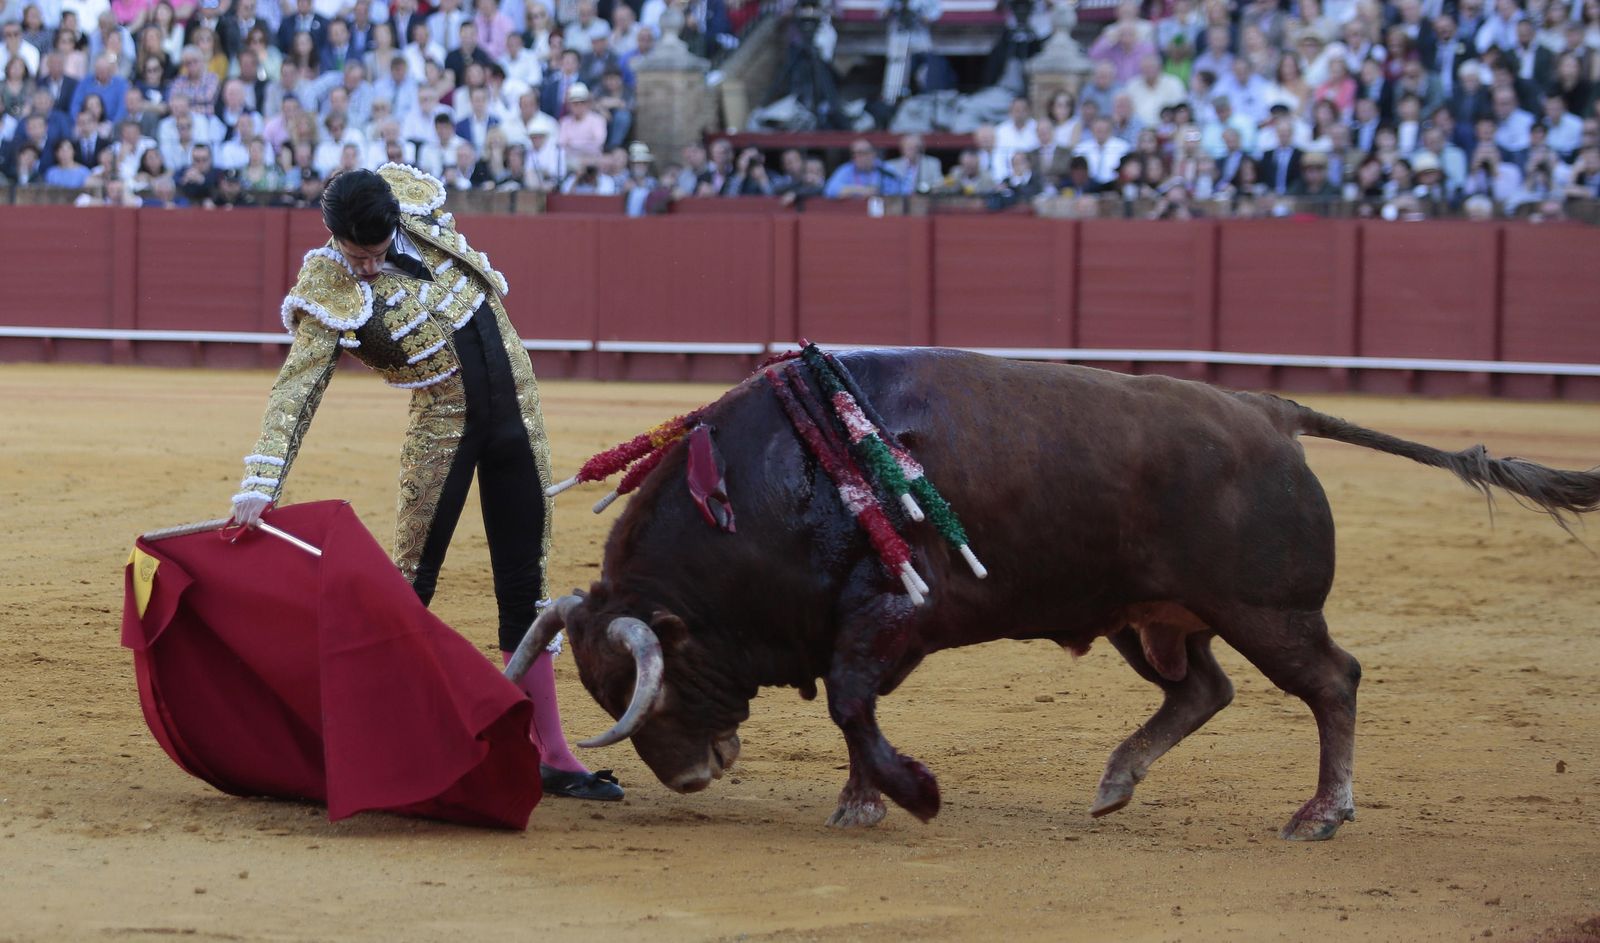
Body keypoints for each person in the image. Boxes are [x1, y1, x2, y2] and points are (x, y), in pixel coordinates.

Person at [228, 165, 624, 803]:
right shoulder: (327, 284)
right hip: (444, 429)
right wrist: (261, 481)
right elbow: (297, 389)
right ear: (332, 237)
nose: (366, 266)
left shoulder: (415, 209)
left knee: (527, 586)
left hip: (519, 418)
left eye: (376, 253)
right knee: (410, 586)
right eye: (356, 255)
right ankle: (370, 741)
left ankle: (548, 750)